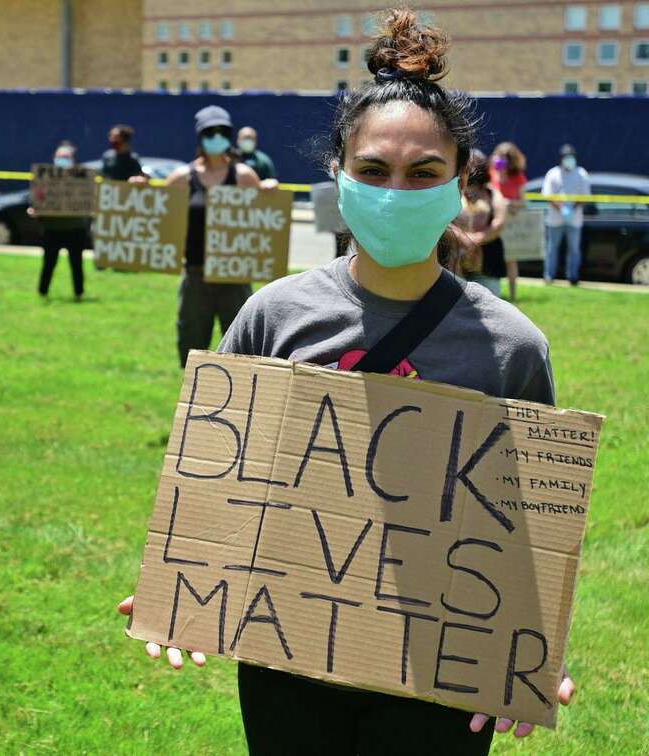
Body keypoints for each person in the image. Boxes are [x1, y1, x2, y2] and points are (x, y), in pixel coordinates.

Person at [119, 9, 575, 753]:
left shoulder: (514, 348)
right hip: (289, 665)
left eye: (422, 173)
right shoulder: (273, 316)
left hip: (440, 678)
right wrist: (184, 573)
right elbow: (219, 477)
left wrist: (530, 649)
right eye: (373, 171)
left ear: (459, 183)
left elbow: (526, 532)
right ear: (339, 173)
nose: (396, 189)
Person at [165, 105, 274, 368]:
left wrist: (268, 192)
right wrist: (139, 188)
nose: (216, 136)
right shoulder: (181, 177)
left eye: (221, 131)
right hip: (195, 275)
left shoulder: (244, 176)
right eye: (209, 132)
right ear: (200, 136)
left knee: (242, 353)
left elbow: (262, 221)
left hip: (234, 275)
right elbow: (160, 216)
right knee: (191, 349)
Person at [31, 141, 88, 301]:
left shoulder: (82, 179)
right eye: (60, 157)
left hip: (75, 229)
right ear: (54, 158)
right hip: (52, 228)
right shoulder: (45, 178)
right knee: (49, 263)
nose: (63, 160)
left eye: (66, 157)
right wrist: (36, 209)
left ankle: (79, 293)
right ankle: (43, 292)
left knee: (76, 264)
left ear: (73, 159)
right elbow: (38, 198)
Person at [457, 148, 507, 296]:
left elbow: (499, 223)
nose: (471, 169)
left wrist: (477, 238)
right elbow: (443, 221)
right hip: (455, 263)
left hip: (487, 263)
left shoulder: (493, 193)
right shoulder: (453, 192)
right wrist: (461, 237)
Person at [542, 144, 590, 286]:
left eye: (571, 157)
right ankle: (549, 276)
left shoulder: (582, 174)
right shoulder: (553, 173)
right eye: (566, 157)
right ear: (561, 159)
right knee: (552, 248)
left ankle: (573, 277)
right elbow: (548, 196)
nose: (569, 160)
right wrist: (562, 209)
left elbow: (584, 196)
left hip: (574, 219)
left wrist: (572, 209)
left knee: (574, 249)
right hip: (555, 219)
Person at [489, 141, 528, 301]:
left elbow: (523, 201)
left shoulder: (518, 177)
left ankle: (513, 295)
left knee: (511, 260)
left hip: (510, 224)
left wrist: (509, 203)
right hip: (493, 221)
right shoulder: (491, 173)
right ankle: (491, 292)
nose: (501, 160)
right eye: (499, 156)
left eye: (506, 157)